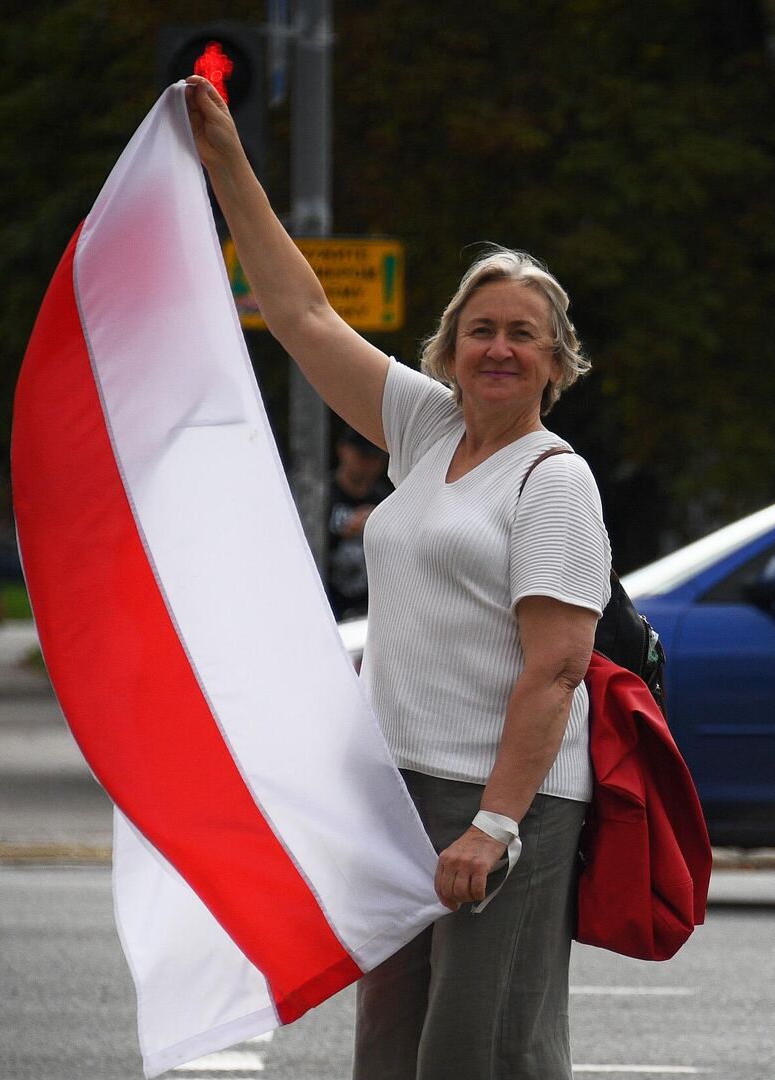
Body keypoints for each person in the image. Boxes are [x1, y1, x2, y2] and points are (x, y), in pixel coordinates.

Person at [185, 76, 611, 1079]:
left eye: (522, 334)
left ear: (556, 362)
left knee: (480, 1051)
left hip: (502, 798)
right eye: (481, 330)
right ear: (451, 350)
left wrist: (496, 826)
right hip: (399, 790)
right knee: (391, 1052)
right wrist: (225, 164)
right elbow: (300, 313)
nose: (498, 348)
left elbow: (556, 672)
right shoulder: (427, 430)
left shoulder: (555, 481)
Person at [327, 427, 393, 620]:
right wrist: (341, 532)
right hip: (331, 606)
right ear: (344, 449)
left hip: (371, 611)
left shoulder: (387, 500)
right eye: (363, 455)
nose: (369, 464)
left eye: (376, 457)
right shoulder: (321, 498)